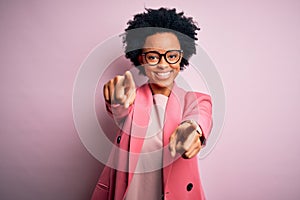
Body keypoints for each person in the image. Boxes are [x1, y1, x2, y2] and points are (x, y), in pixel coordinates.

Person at [92, 7, 212, 200]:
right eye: (153, 56)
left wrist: (192, 130)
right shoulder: (132, 98)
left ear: (182, 57)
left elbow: (200, 116)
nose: (163, 64)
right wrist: (116, 99)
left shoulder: (195, 100)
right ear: (141, 59)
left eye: (171, 56)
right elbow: (120, 109)